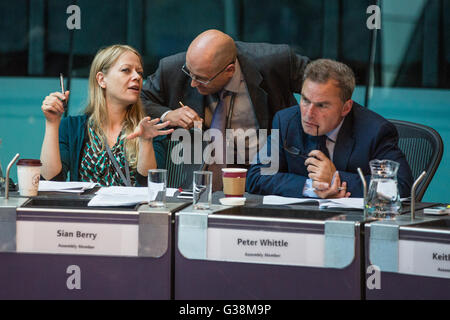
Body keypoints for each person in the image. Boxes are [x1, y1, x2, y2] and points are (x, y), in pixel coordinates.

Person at [141, 29, 309, 190]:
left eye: (201, 78)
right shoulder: (173, 69)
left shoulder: (275, 61)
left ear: (230, 70)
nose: (192, 83)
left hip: (266, 173)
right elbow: (140, 99)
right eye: (190, 72)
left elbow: (325, 83)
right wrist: (169, 114)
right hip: (201, 178)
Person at [246, 59, 414, 198]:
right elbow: (256, 176)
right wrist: (313, 187)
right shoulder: (286, 121)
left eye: (321, 106)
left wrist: (336, 178)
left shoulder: (375, 131)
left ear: (346, 108)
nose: (308, 114)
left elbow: (400, 186)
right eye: (305, 100)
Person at [40, 44, 173, 186]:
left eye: (139, 72)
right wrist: (52, 123)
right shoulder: (72, 127)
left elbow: (151, 187)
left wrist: (146, 141)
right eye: (126, 70)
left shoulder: (149, 128)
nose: (137, 77)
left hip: (132, 208)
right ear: (101, 79)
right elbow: (50, 181)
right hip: (85, 208)